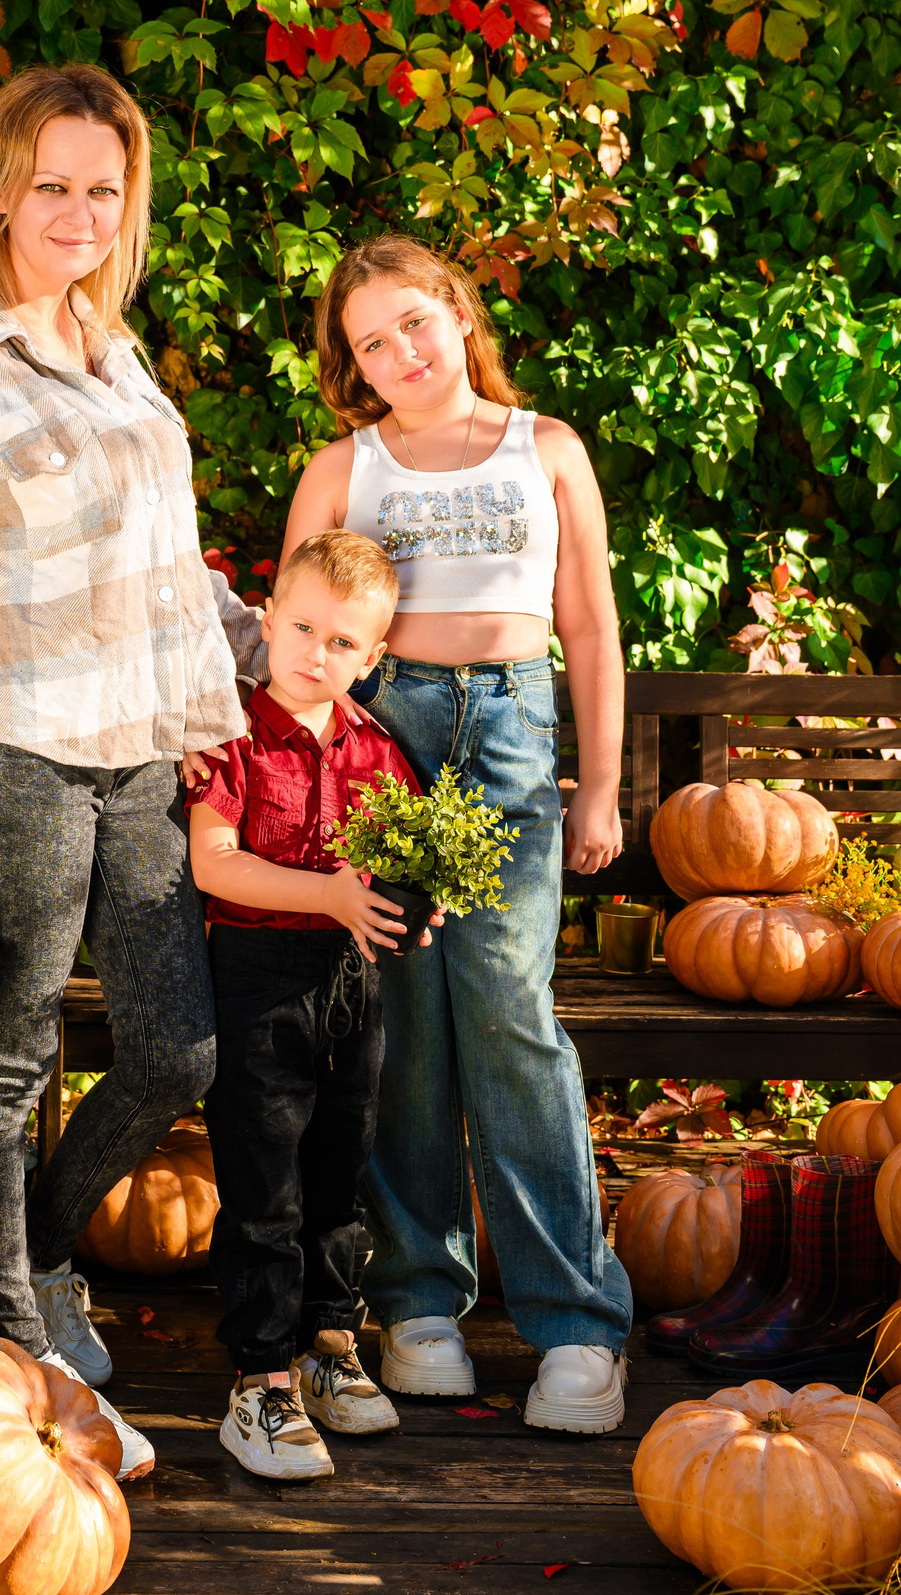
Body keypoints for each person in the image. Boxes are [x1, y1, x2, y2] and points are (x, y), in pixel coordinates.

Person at [0, 64, 265, 1480]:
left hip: (143, 749)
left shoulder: (119, 350)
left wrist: (267, 650)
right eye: (56, 185)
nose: (82, 212)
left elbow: (165, 561)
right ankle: (17, 1334)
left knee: (177, 1048)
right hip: (17, 751)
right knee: (12, 1052)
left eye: (106, 189)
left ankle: (27, 1250)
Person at [278, 234, 634, 1434]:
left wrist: (596, 789)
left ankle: (578, 1322)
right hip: (388, 732)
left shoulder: (548, 449)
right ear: (353, 366)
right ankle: (419, 1301)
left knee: (508, 1009)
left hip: (513, 733)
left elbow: (587, 623)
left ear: (457, 313)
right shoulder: (343, 469)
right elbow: (301, 653)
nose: (399, 354)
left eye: (413, 324)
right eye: (370, 343)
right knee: (402, 1015)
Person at [183, 529, 426, 1480]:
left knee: (338, 1172)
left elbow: (404, 862)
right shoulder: (233, 735)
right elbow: (215, 860)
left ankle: (329, 1348)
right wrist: (327, 891)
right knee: (264, 1188)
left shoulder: (377, 747)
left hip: (353, 985)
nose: (313, 651)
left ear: (372, 660)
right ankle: (258, 1380)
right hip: (258, 976)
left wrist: (419, 903)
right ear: (269, 620)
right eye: (301, 626)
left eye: (339, 642)